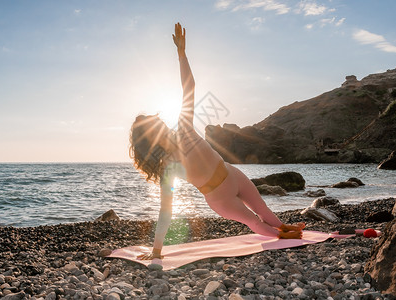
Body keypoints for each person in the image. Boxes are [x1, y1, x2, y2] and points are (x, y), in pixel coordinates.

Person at [129, 23, 305, 260]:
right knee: (254, 221)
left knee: (264, 211)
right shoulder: (167, 167)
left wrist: (182, 55)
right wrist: (157, 251)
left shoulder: (183, 128)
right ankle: (283, 235)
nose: (159, 124)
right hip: (219, 198)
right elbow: (166, 211)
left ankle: (285, 229)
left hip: (232, 174)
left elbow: (189, 87)